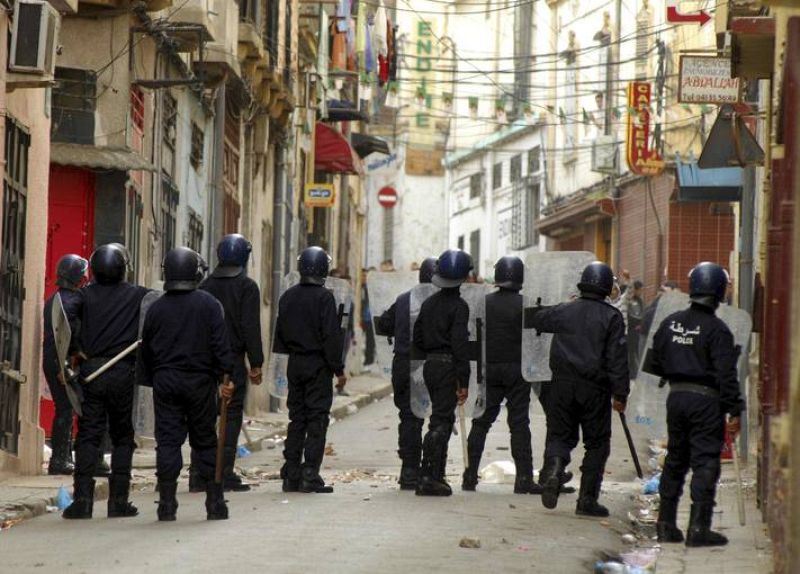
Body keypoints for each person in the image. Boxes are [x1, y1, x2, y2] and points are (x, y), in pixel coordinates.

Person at [651, 262, 743, 547]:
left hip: (676, 398)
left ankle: (665, 524)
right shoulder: (718, 330)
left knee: (676, 458)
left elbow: (654, 362)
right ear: (718, 291)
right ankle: (698, 528)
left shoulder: (670, 322)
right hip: (706, 402)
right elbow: (727, 375)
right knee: (705, 461)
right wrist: (735, 409)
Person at [140, 247, 235, 521]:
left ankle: (167, 504)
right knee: (205, 440)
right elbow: (220, 345)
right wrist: (225, 376)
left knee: (168, 441)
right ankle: (214, 501)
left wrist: (153, 379)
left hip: (166, 380)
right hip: (199, 381)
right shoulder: (209, 305)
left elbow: (146, 350)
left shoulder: (156, 308)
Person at [531, 261, 629, 516]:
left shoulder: (564, 310)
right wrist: (621, 394)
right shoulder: (612, 317)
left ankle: (552, 472)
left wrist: (560, 303)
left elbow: (538, 319)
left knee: (559, 436)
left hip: (561, 385)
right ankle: (587, 500)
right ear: (608, 287)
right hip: (594, 389)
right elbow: (617, 358)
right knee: (597, 444)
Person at [63, 244, 151, 520]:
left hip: (92, 372)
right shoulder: (139, 296)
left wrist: (75, 348)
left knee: (89, 434)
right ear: (124, 267)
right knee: (122, 436)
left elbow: (65, 316)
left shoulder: (83, 296)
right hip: (122, 371)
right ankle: (118, 501)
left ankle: (83, 500)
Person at [192, 234, 264, 493]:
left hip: (203, 360)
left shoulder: (204, 286)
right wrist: (256, 363)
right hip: (232, 360)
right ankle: (224, 472)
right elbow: (250, 327)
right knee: (231, 416)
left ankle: (199, 472)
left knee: (203, 415)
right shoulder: (247, 287)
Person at [462, 256, 540, 494]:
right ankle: (524, 479)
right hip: (518, 370)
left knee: (481, 421)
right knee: (519, 424)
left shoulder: (482, 303)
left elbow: (473, 335)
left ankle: (469, 475)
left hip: (490, 368)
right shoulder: (526, 304)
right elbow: (535, 341)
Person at [274, 246, 347, 493]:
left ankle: (291, 473)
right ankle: (309, 474)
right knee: (316, 419)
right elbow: (330, 336)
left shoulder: (288, 296)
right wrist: (338, 369)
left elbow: (280, 334)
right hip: (318, 365)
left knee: (297, 418)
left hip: (295, 363)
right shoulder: (324, 298)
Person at [412, 249, 472, 497]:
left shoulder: (428, 303)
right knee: (442, 421)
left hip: (431, 365)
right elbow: (460, 345)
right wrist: (464, 380)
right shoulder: (459, 307)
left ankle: (435, 474)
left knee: (439, 417)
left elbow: (418, 337)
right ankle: (429, 476)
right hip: (448, 366)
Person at [375, 256, 437, 490]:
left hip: (402, 364)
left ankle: (409, 470)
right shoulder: (440, 301)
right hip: (429, 365)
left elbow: (383, 325)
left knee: (409, 419)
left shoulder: (403, 299)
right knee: (434, 418)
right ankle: (429, 470)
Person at [42, 254, 88, 475]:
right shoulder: (73, 302)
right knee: (66, 408)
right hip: (62, 361)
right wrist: (69, 363)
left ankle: (63, 457)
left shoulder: (55, 299)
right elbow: (71, 337)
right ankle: (59, 459)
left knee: (65, 408)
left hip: (53, 361)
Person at [626, 280, 645, 378]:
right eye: (640, 290)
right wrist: (638, 321)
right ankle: (631, 373)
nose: (641, 292)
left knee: (635, 352)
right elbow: (629, 314)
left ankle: (634, 372)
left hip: (637, 330)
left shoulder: (639, 300)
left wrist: (641, 323)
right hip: (630, 330)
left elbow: (642, 313)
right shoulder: (629, 301)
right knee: (631, 352)